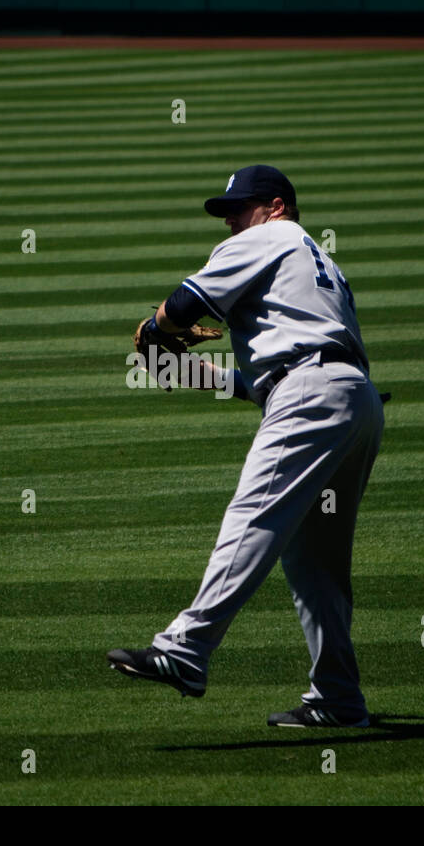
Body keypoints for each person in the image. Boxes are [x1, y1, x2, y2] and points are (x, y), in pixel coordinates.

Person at [108, 165, 385, 728]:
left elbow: (183, 304)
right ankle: (338, 697)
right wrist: (201, 376)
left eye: (240, 207)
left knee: (253, 518)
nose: (231, 220)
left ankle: (185, 651)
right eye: (227, 212)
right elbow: (272, 374)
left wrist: (156, 331)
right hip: (353, 400)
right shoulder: (313, 257)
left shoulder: (271, 236)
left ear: (276, 206)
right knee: (316, 564)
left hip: (310, 394)